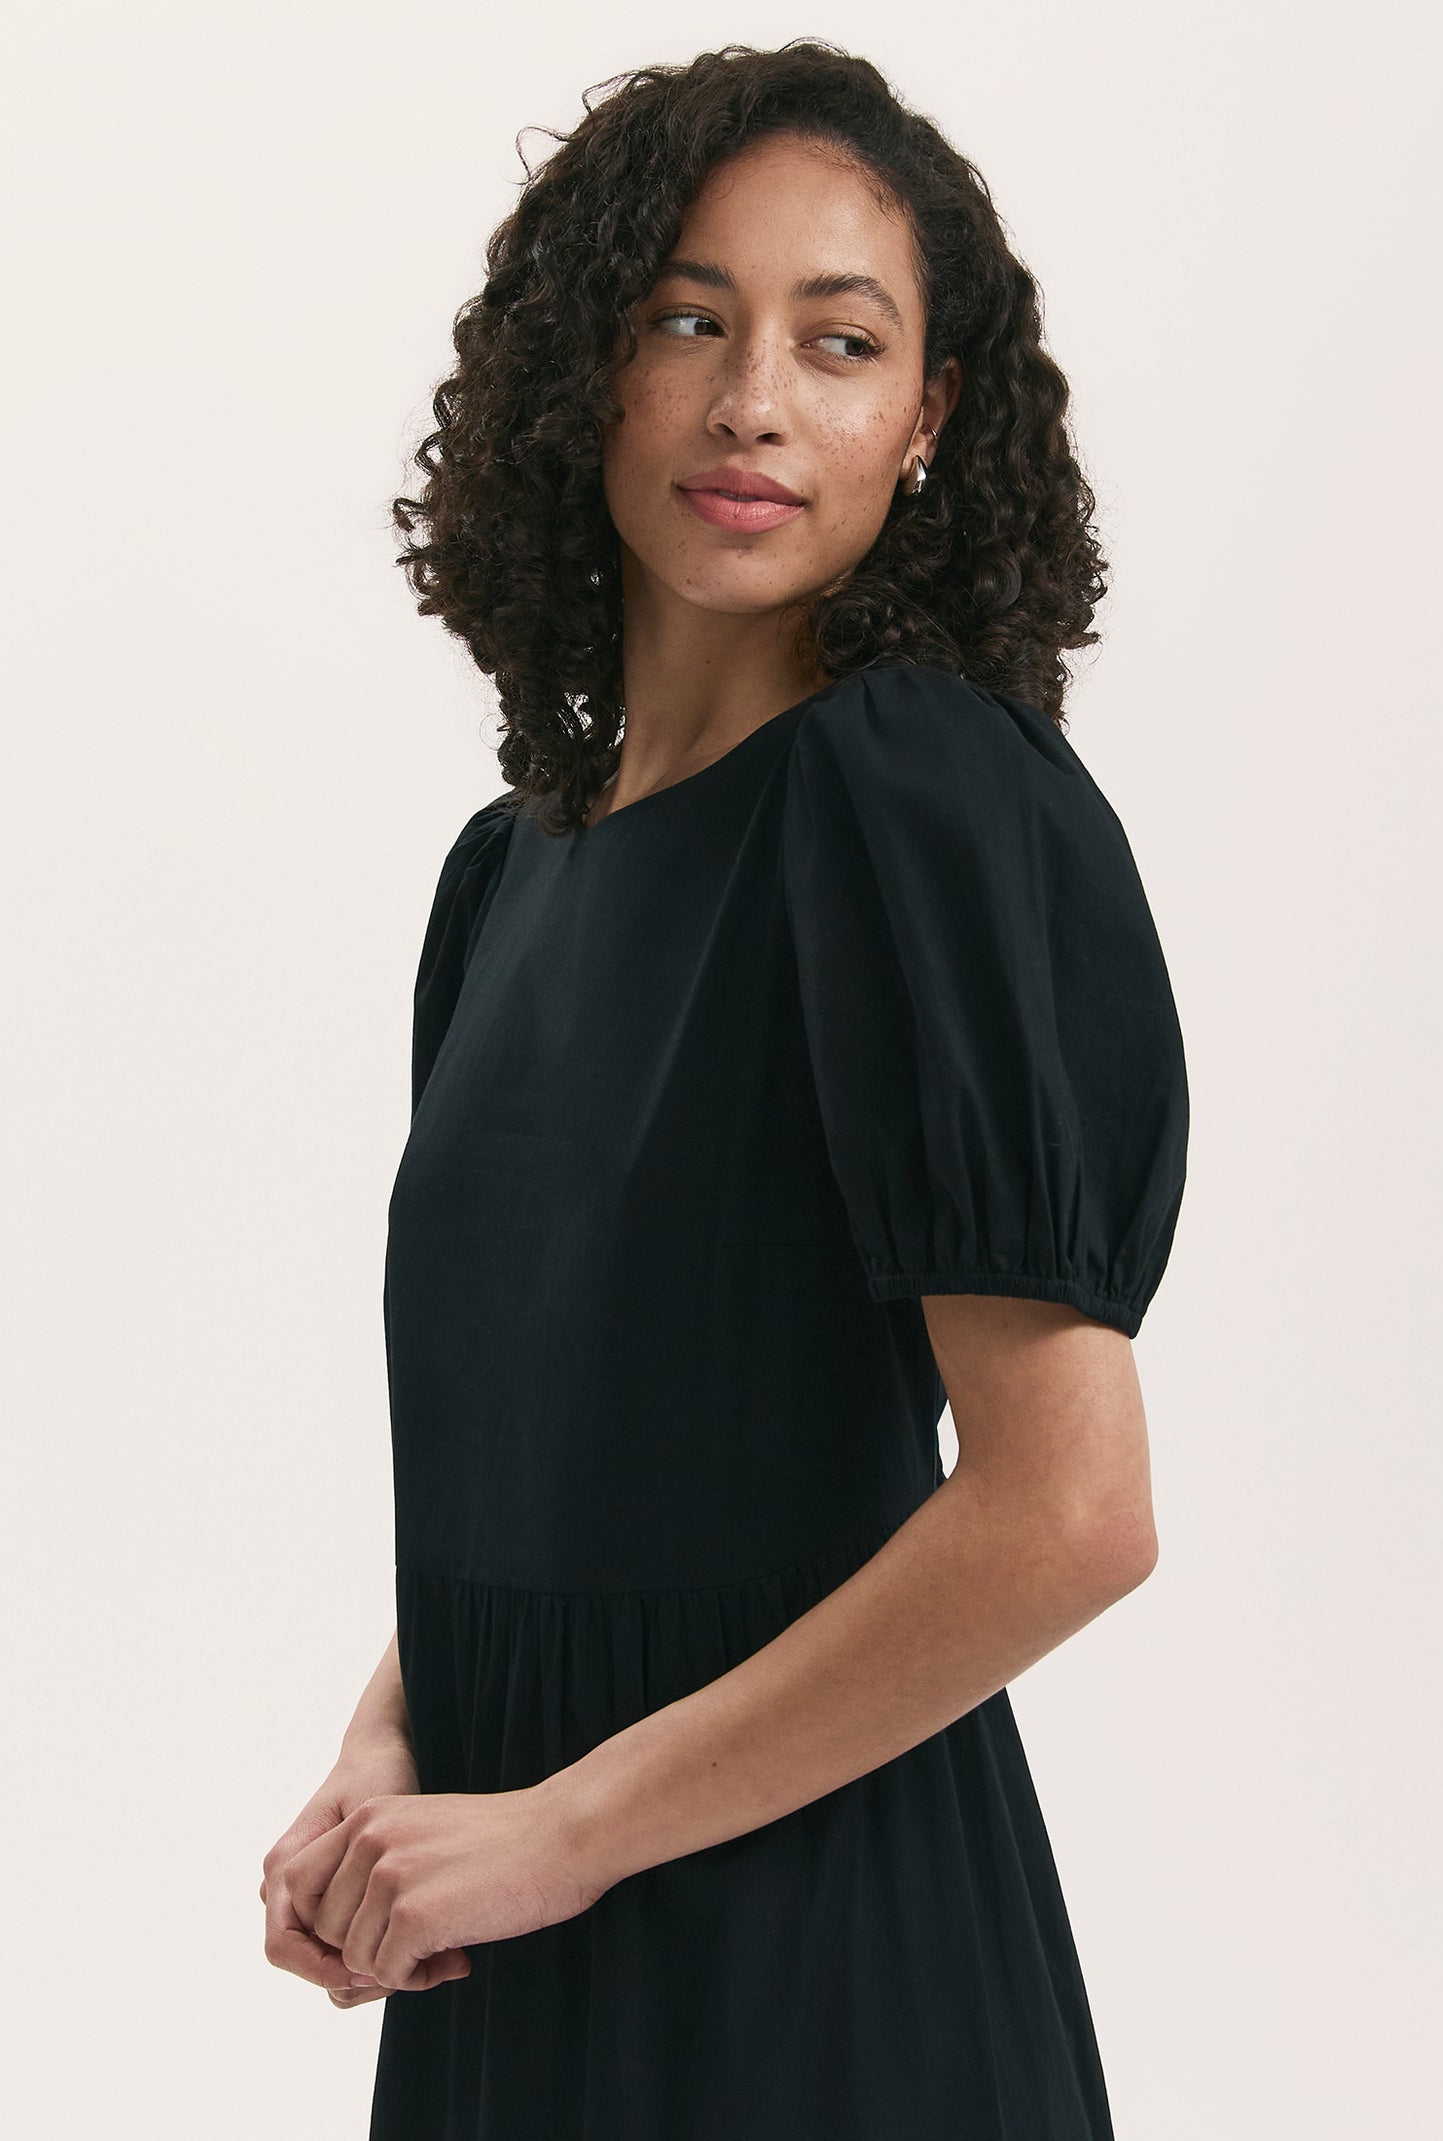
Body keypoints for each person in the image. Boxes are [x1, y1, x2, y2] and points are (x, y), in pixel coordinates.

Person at [261, 40, 1190, 2141]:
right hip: (514, 1935)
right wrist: (391, 1749)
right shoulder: (511, 875)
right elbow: (571, 1449)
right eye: (687, 317)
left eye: (840, 343)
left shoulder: (910, 792)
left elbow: (1069, 1510)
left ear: (926, 419)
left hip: (807, 1968)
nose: (754, 398)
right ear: (585, 366)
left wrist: (566, 1829)